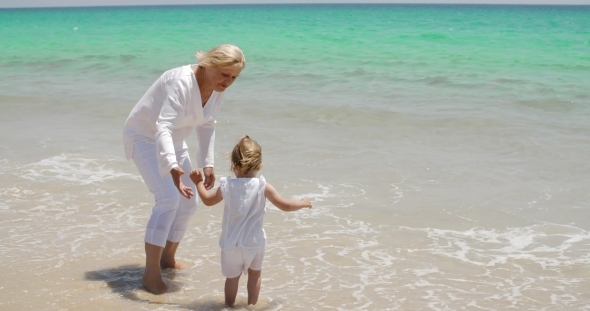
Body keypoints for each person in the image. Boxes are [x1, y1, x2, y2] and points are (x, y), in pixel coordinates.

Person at [123, 44, 245, 294]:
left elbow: (207, 123)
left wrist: (207, 164)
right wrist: (172, 166)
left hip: (174, 141)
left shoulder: (217, 87)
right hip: (144, 136)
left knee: (189, 204)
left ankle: (167, 258)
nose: (228, 81)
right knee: (168, 199)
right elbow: (163, 127)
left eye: (234, 77)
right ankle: (151, 274)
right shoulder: (180, 81)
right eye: (224, 74)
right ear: (209, 64)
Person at [189, 135, 312, 307]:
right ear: (259, 164)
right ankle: (251, 306)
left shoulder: (227, 186)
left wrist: (198, 183)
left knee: (232, 278)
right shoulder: (263, 186)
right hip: (254, 243)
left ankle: (228, 306)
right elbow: (285, 205)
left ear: (234, 164)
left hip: (232, 244)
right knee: (255, 275)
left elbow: (208, 201)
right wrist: (303, 203)